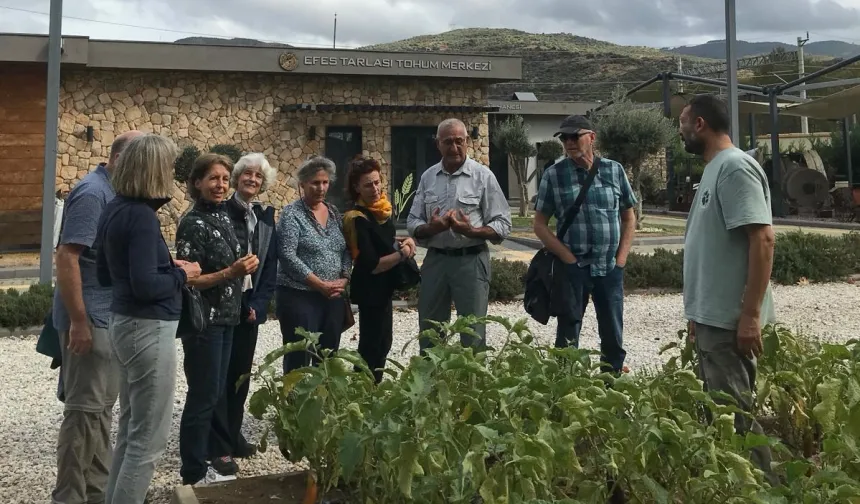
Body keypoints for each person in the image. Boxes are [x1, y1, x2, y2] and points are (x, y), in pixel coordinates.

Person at [95, 133, 201, 503]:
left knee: (130, 433)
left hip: (123, 324)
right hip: (147, 330)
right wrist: (181, 274)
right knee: (147, 442)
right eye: (169, 166)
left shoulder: (115, 207)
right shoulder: (140, 217)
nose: (172, 173)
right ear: (154, 169)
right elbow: (145, 286)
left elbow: (107, 275)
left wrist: (164, 266)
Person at [679, 94, 777, 482]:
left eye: (683, 123)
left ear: (700, 124)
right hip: (711, 319)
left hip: (729, 320)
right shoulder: (714, 169)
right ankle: (736, 488)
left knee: (736, 419)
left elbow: (763, 239)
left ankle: (763, 489)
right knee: (720, 415)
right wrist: (695, 315)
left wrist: (750, 313)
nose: (681, 131)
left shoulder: (735, 168)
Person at [50, 129, 140, 504]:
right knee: (84, 415)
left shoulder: (113, 193)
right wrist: (79, 322)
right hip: (90, 320)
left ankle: (96, 494)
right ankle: (68, 498)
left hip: (107, 319)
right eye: (141, 161)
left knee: (101, 414)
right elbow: (66, 256)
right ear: (120, 159)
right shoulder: (93, 193)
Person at [175, 153, 259, 485]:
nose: (221, 185)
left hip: (227, 319)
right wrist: (231, 272)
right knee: (202, 395)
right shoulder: (192, 223)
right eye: (213, 178)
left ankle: (205, 459)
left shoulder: (224, 216)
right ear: (197, 183)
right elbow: (189, 279)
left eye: (225, 179)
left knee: (216, 392)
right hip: (204, 322)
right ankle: (192, 472)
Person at [533, 114, 636, 374]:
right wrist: (567, 258)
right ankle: (564, 392)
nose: (568, 142)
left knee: (613, 334)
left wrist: (621, 260)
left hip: (609, 268)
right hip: (573, 269)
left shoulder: (614, 170)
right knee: (568, 334)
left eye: (574, 136)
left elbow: (628, 215)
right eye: (564, 138)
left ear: (592, 137)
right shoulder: (554, 175)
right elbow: (540, 225)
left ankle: (611, 389)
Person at [407, 118, 511, 350]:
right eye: (448, 142)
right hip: (435, 262)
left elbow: (503, 224)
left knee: (473, 333)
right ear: (438, 144)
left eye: (459, 141)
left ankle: (471, 385)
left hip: (471, 261)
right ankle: (432, 383)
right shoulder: (428, 177)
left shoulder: (483, 176)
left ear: (467, 142)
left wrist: (471, 230)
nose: (454, 148)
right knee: (430, 332)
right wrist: (433, 228)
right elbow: (413, 222)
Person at [208, 153, 278, 465]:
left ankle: (232, 434)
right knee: (220, 377)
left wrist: (259, 307)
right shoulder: (221, 210)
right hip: (222, 305)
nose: (252, 180)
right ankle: (218, 443)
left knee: (240, 376)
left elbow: (269, 267)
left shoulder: (262, 216)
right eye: (247, 174)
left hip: (248, 307)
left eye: (258, 177)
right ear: (237, 178)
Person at [342, 157, 417, 383]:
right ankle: (363, 391)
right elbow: (372, 265)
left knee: (384, 342)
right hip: (370, 290)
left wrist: (405, 242)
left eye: (376, 182)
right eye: (368, 185)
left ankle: (372, 389)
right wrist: (403, 254)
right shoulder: (358, 218)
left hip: (384, 289)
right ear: (356, 188)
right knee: (371, 346)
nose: (375, 189)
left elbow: (385, 241)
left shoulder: (381, 210)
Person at [276, 155, 352, 373]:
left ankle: (325, 404)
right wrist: (319, 284)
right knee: (299, 357)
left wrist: (344, 279)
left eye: (325, 182)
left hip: (333, 299)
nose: (321, 188)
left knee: (328, 357)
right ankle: (293, 405)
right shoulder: (292, 215)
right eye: (315, 183)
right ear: (302, 184)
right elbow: (287, 256)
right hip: (298, 296)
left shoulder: (334, 212)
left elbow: (346, 249)